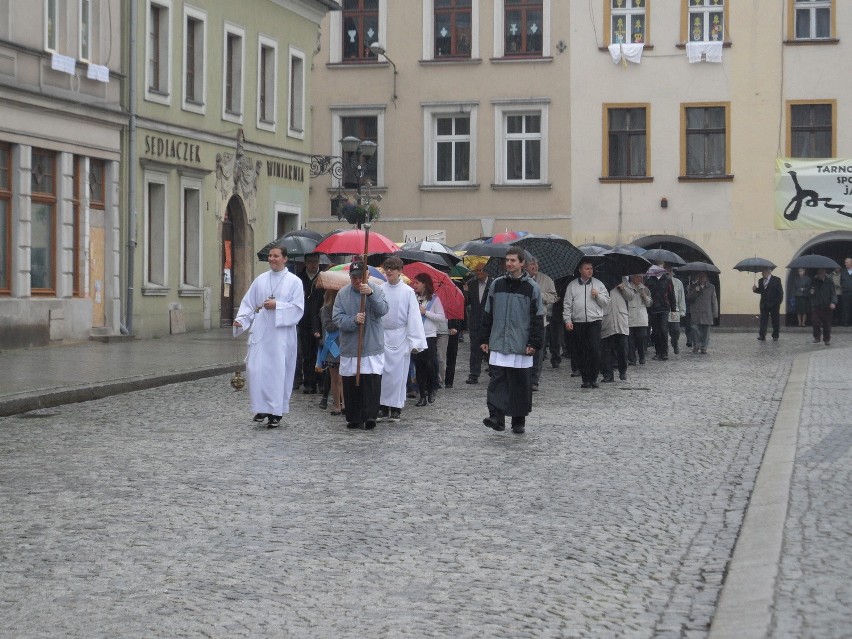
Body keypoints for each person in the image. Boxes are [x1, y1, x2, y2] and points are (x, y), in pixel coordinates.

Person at [233, 246, 304, 428]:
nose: (272, 259)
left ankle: (276, 412)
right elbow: (249, 303)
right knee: (256, 369)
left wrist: (277, 305)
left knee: (277, 372)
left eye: (276, 256)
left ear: (285, 259)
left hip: (281, 335)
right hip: (262, 331)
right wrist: (241, 320)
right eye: (270, 256)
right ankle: (261, 407)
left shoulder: (294, 282)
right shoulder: (261, 280)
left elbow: (298, 309)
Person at [479, 247, 544, 434]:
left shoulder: (532, 287)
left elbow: (538, 317)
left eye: (513, 260)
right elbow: (487, 314)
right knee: (497, 381)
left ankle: (518, 421)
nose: (509, 263)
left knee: (520, 384)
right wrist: (484, 338)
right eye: (507, 260)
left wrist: (534, 342)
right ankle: (496, 417)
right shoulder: (496, 285)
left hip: (521, 342)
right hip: (498, 340)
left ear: (522, 263)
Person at [332, 260, 389, 430]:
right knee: (351, 383)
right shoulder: (342, 294)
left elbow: (383, 310)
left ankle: (370, 415)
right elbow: (337, 318)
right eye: (354, 277)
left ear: (368, 276)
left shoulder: (377, 290)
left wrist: (371, 295)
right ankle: (354, 416)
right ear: (350, 277)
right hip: (351, 345)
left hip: (371, 344)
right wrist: (353, 320)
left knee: (370, 382)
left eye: (361, 277)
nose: (357, 281)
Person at [378, 256, 427, 422]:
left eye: (393, 268)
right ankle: (383, 407)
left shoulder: (407, 292)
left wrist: (415, 341)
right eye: (387, 268)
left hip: (400, 337)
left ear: (400, 271)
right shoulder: (380, 289)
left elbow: (413, 316)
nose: (389, 271)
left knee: (398, 376)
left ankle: (396, 408)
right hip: (382, 336)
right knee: (382, 374)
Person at [563, 258, 609, 388]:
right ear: (580, 270)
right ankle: (585, 378)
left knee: (594, 349)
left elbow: (606, 302)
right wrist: (567, 320)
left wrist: (598, 296)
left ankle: (594, 377)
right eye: (587, 268)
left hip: (594, 321)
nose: (590, 271)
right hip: (578, 322)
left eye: (591, 269)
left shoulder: (598, 284)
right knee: (581, 351)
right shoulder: (572, 285)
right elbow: (567, 304)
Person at [411, 273, 446, 407]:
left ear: (424, 284)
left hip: (430, 336)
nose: (415, 285)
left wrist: (426, 312)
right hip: (417, 336)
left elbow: (441, 318)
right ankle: (422, 395)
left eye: (417, 283)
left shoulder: (434, 300)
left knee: (430, 364)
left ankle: (432, 388)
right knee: (418, 366)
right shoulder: (413, 298)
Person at [525, 256, 557, 391]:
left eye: (536, 264)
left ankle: (534, 380)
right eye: (531, 264)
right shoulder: (521, 280)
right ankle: (524, 377)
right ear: (525, 266)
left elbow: (553, 297)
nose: (535, 267)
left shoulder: (546, 279)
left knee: (538, 352)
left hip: (540, 321)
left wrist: (540, 294)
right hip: (524, 321)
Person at [297, 253, 324, 395]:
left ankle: (322, 383)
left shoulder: (323, 277)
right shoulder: (299, 278)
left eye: (316, 261)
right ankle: (308, 383)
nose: (314, 264)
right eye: (311, 262)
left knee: (321, 353)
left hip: (320, 321)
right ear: (305, 263)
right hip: (304, 320)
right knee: (307, 354)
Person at [463, 263, 493, 384]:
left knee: (491, 348)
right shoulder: (471, 284)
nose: (478, 273)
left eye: (480, 270)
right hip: (475, 321)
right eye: (477, 271)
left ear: (487, 271)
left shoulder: (493, 283)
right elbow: (467, 302)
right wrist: (465, 292)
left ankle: (493, 371)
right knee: (475, 348)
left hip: (489, 321)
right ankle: (474, 374)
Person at [600, 277, 633, 382]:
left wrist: (623, 288)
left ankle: (622, 370)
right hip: (606, 317)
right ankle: (608, 374)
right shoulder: (598, 280)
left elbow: (631, 296)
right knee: (606, 350)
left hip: (620, 319)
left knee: (622, 348)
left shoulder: (622, 279)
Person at [318, 289, 343, 416]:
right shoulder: (326, 309)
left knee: (344, 378)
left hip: (345, 345)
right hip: (332, 345)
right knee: (335, 378)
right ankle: (336, 404)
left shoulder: (345, 306)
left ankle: (345, 403)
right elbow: (328, 326)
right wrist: (342, 320)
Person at [645, 265, 674, 361]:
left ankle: (664, 352)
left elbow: (671, 294)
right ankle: (658, 352)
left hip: (664, 308)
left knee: (663, 330)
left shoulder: (667, 280)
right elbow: (647, 295)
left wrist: (673, 309)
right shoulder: (649, 281)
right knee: (656, 332)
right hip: (653, 309)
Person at [685, 272, 718, 354]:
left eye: (703, 276)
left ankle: (704, 347)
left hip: (707, 312)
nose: (702, 278)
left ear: (706, 277)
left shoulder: (711, 287)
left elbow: (714, 300)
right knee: (694, 329)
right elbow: (688, 299)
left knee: (706, 332)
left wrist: (715, 313)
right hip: (696, 312)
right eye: (700, 276)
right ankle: (696, 345)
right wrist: (694, 291)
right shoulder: (693, 286)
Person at [625, 273, 652, 365]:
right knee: (630, 340)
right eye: (637, 277)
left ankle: (642, 356)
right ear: (632, 277)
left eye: (640, 277)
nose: (639, 278)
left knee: (641, 338)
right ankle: (632, 359)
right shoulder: (627, 288)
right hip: (630, 316)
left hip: (641, 317)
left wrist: (644, 296)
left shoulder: (645, 289)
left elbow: (649, 304)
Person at [753, 266, 784, 341]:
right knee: (763, 320)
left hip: (774, 304)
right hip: (764, 304)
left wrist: (778, 302)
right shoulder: (760, 280)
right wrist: (755, 289)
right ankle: (762, 335)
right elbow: (761, 291)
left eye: (763, 272)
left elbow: (780, 292)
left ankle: (775, 335)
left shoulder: (776, 280)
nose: (762, 274)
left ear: (768, 272)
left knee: (775, 320)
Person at [809, 268, 837, 346]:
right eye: (818, 272)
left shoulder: (829, 281)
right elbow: (810, 291)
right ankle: (817, 337)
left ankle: (827, 339)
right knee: (815, 321)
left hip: (827, 305)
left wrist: (833, 302)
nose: (820, 274)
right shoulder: (814, 281)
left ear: (824, 272)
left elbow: (833, 293)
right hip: (816, 305)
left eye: (821, 272)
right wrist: (811, 292)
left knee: (827, 323)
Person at [665, 265, 686, 354]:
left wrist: (682, 311)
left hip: (675, 311)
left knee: (676, 330)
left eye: (669, 271)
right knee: (664, 332)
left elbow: (681, 298)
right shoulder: (661, 282)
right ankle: (664, 349)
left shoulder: (678, 283)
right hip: (664, 311)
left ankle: (675, 342)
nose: (668, 273)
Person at [840, 257, 852, 326]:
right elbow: (841, 281)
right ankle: (846, 322)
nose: (845, 264)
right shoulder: (843, 272)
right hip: (846, 293)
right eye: (845, 262)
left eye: (847, 262)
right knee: (846, 308)